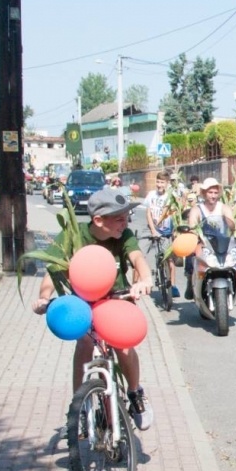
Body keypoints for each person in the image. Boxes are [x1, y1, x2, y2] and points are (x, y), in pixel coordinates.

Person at [33, 186, 155, 429]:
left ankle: (134, 392)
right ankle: (79, 404)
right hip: (84, 303)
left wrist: (145, 280)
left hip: (116, 299)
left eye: (126, 217)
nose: (125, 223)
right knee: (85, 344)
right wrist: (43, 298)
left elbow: (137, 258)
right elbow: (53, 270)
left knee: (123, 345)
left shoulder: (124, 236)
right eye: (119, 218)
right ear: (98, 220)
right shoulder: (74, 235)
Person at [142, 171, 182, 298]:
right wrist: (153, 230)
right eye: (158, 182)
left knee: (169, 259)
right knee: (140, 254)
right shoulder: (151, 195)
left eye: (162, 182)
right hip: (151, 228)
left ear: (167, 183)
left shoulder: (171, 196)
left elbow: (176, 213)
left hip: (166, 231)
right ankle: (138, 283)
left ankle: (173, 286)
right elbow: (148, 213)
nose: (159, 185)